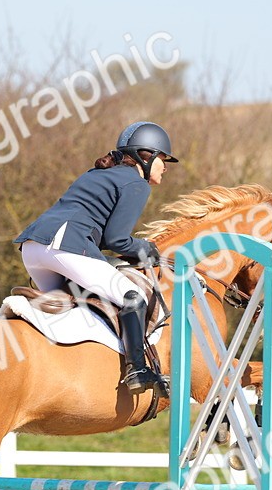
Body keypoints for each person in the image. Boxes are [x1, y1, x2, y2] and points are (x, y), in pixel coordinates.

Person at [14, 121, 178, 395]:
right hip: (64, 246)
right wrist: (145, 249)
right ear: (146, 155)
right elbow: (117, 240)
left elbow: (103, 238)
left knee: (73, 309)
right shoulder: (136, 184)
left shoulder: (98, 174)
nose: (166, 166)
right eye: (163, 159)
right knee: (131, 296)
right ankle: (137, 368)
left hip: (34, 248)